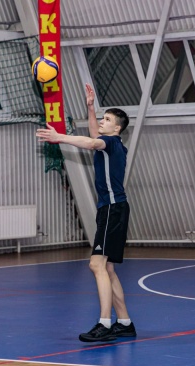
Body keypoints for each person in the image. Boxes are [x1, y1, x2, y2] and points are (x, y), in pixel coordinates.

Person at [36, 83, 136, 342]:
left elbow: (91, 142)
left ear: (117, 129)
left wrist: (60, 137)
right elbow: (94, 136)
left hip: (112, 209)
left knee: (96, 264)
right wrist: (91, 108)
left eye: (107, 120)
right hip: (114, 209)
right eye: (103, 118)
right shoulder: (113, 145)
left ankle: (104, 324)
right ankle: (124, 323)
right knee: (108, 269)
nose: (102, 122)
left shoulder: (109, 143)